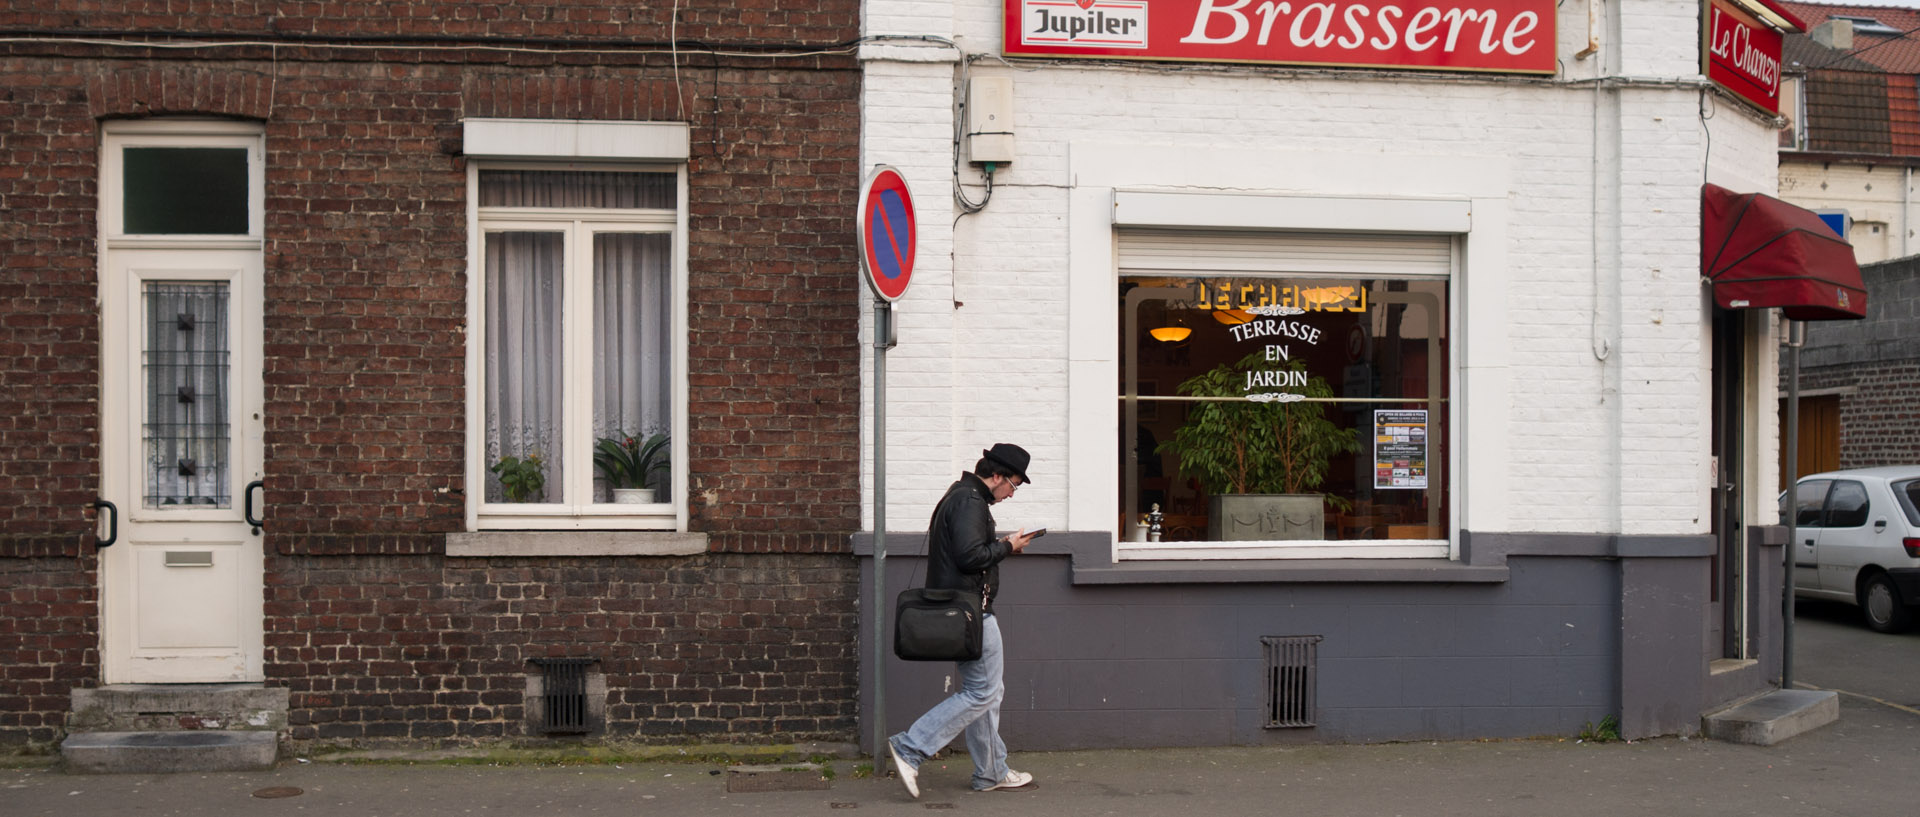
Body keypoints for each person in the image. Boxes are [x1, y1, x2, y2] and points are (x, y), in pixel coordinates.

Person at [888, 443, 1041, 798]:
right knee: (983, 691)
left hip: (967, 610)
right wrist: (1008, 547)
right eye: (1013, 486)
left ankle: (990, 772)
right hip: (973, 611)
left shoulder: (961, 496)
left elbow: (966, 553)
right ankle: (911, 746)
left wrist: (1000, 546)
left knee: (988, 690)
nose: (1010, 494)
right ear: (997, 475)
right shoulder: (970, 502)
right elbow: (971, 557)